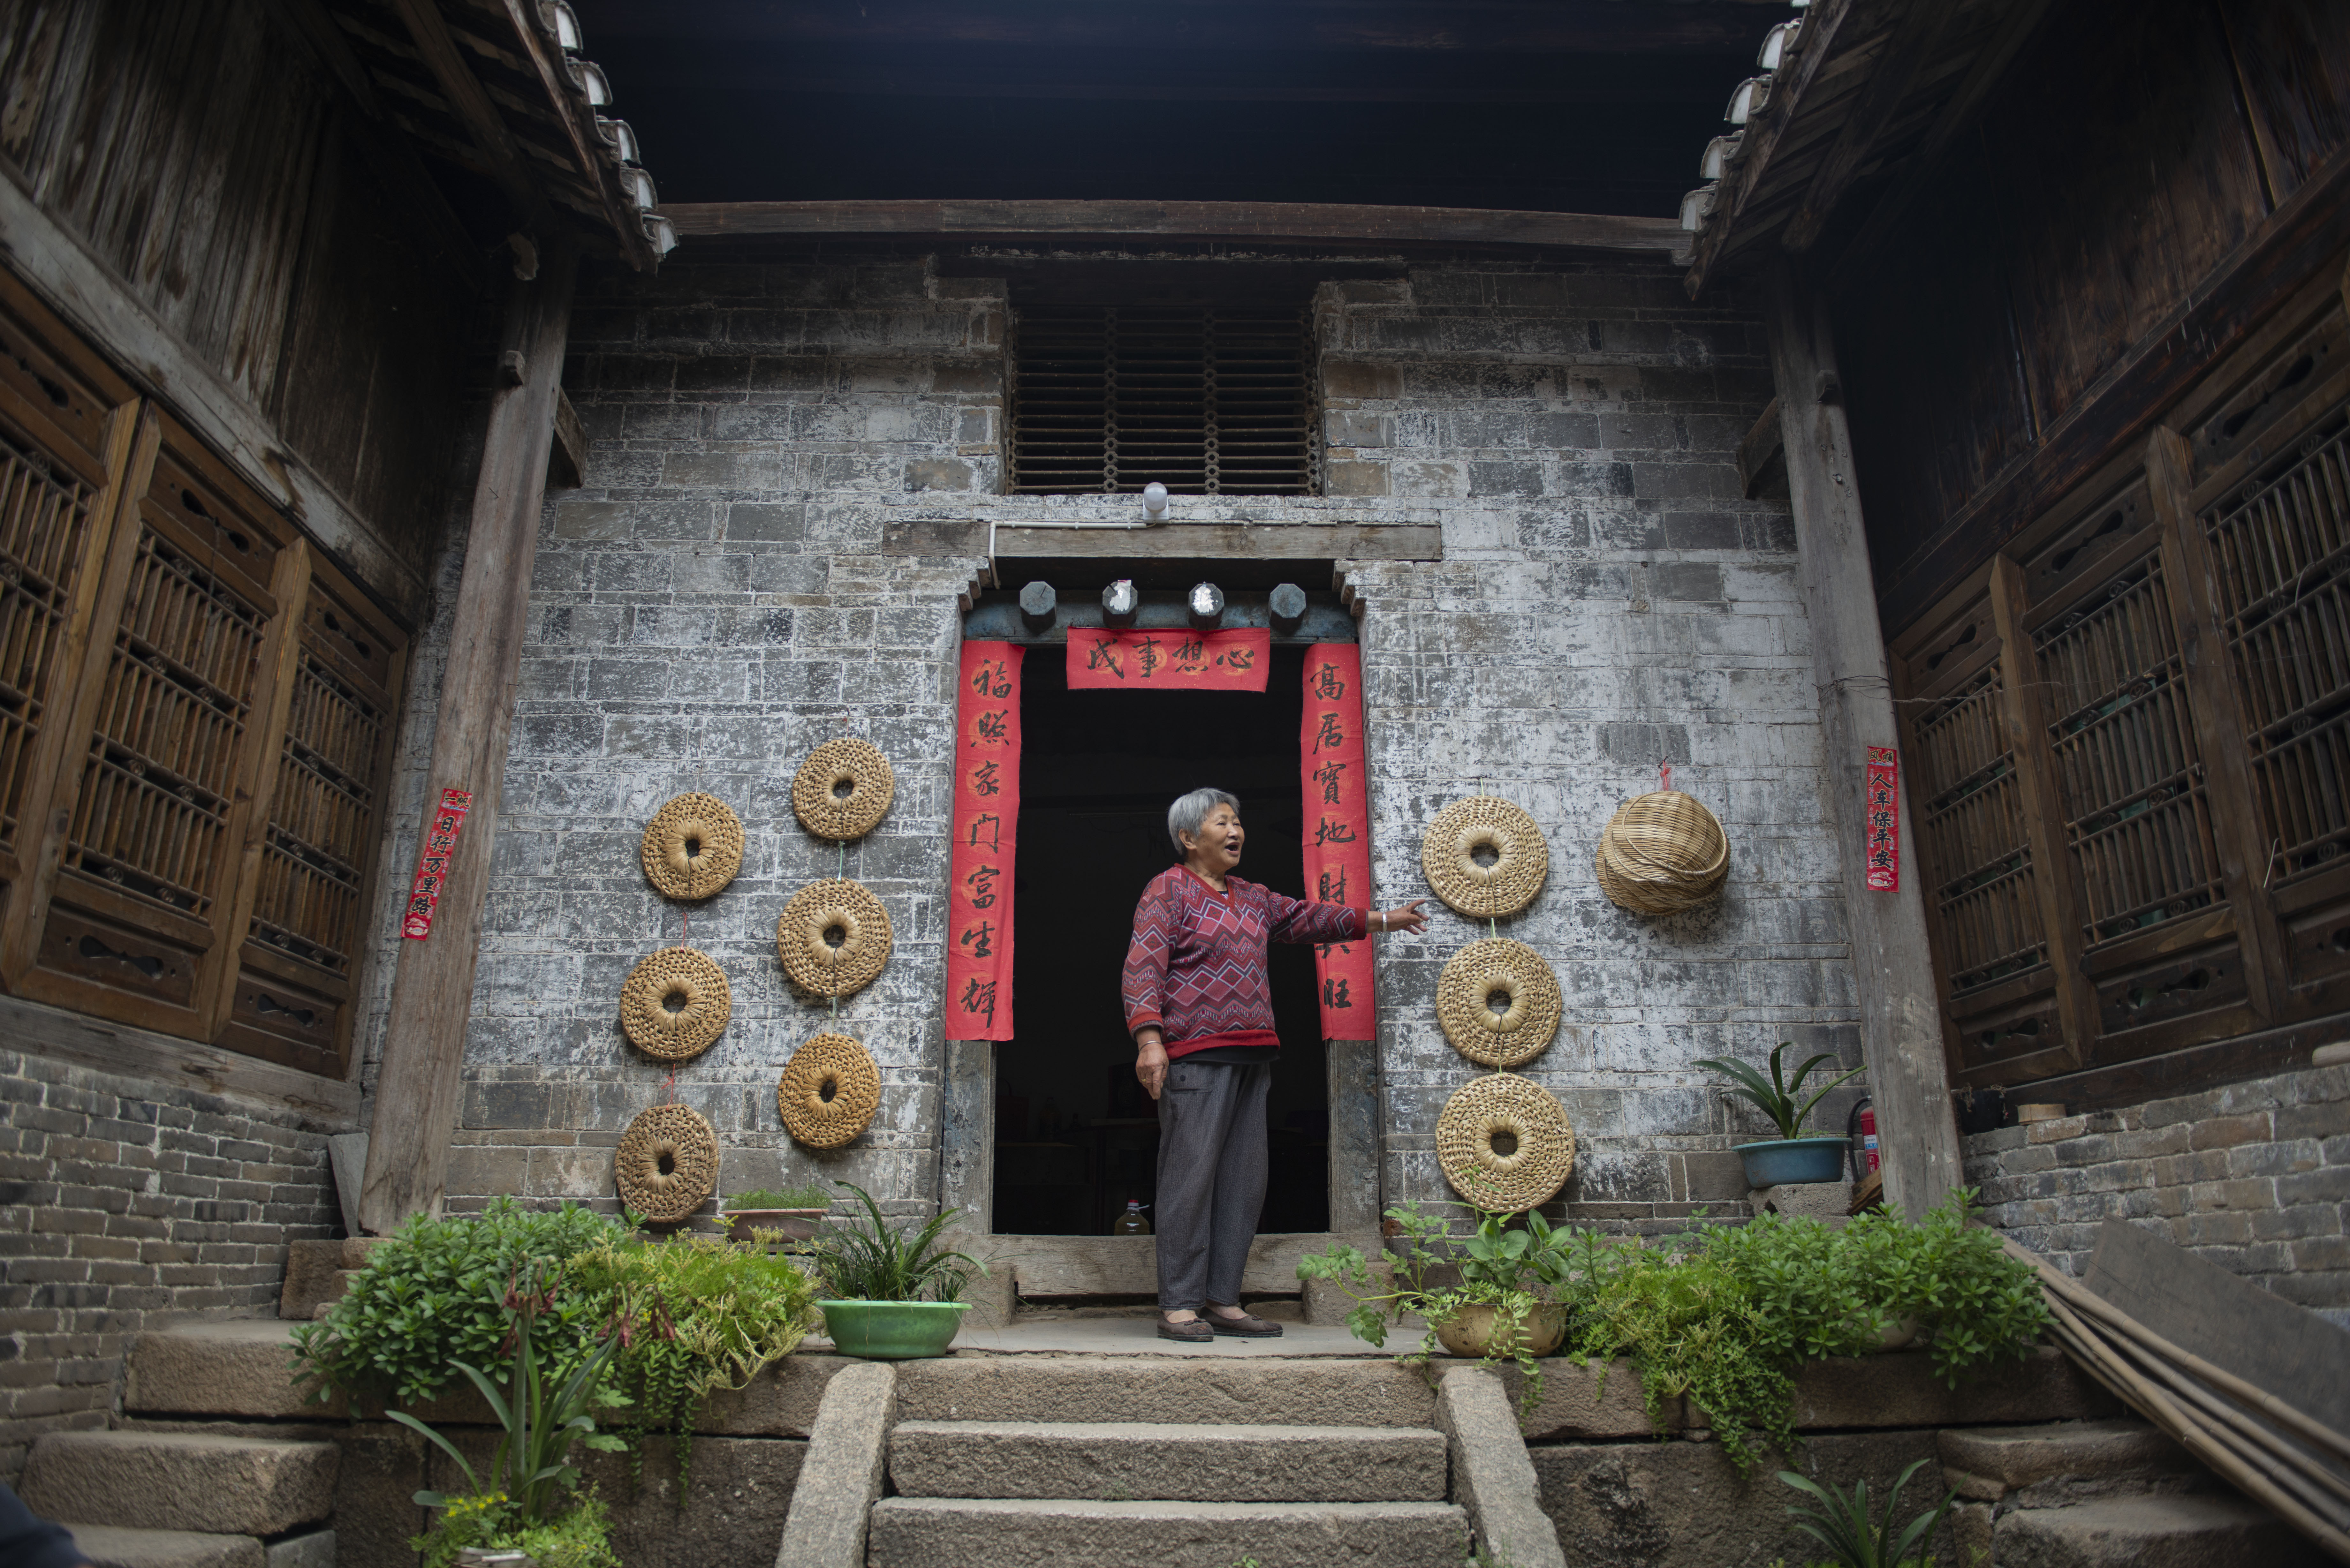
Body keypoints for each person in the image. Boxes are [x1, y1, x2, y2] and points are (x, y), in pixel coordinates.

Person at [1122, 787, 1426, 1342]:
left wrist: (1384, 920)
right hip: (1195, 1055)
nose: (1236, 831)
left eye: (1238, 822)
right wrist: (1150, 1040)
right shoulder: (1167, 890)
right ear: (1189, 838)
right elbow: (1143, 967)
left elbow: (1310, 919)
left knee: (1244, 1182)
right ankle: (1180, 1306)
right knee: (1190, 1179)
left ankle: (1222, 1299)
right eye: (1222, 822)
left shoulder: (1253, 896)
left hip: (1253, 1054)